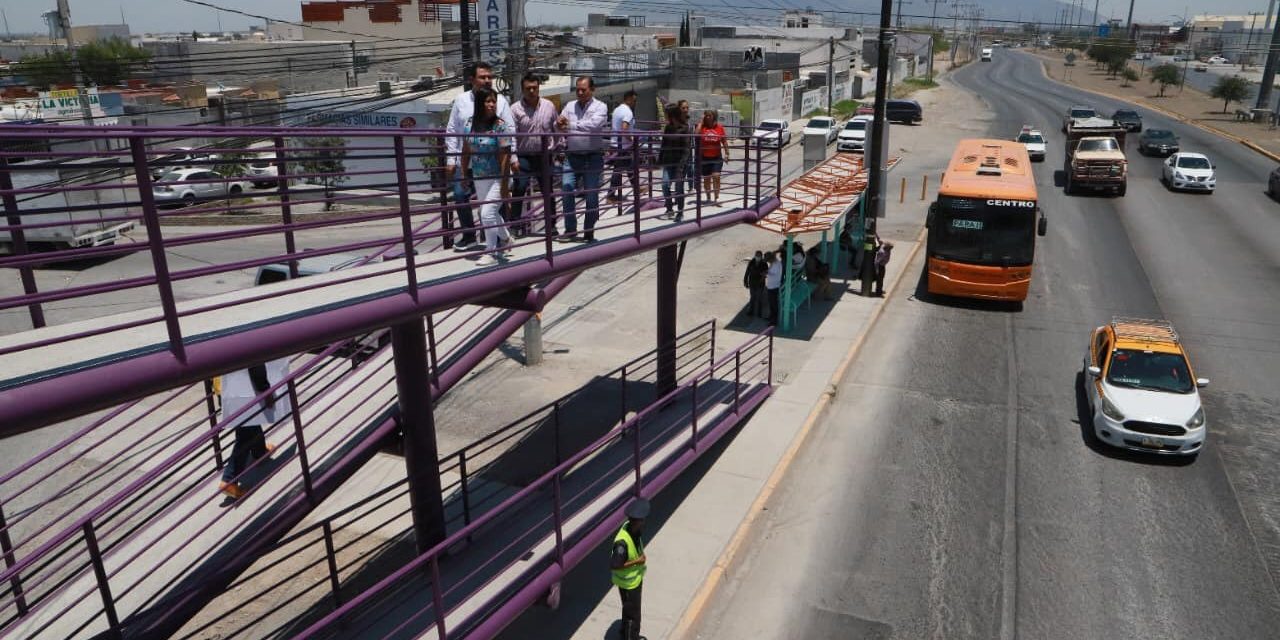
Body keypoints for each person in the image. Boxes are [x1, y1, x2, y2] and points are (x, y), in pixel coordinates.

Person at [445, 61, 515, 251]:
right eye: (482, 77)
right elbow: (453, 130)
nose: (487, 80)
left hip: (495, 163)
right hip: (469, 160)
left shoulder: (500, 101)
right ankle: (470, 235)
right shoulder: (461, 101)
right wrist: (451, 159)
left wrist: (513, 159)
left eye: (489, 77)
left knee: (489, 209)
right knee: (460, 195)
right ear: (472, 80)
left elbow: (509, 133)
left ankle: (492, 246)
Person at [218, 360, 287, 500]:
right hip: (242, 388)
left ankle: (259, 452)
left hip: (224, 385)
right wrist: (266, 390)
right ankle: (229, 479)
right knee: (245, 434)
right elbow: (255, 361)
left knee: (248, 424)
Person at [463, 87, 513, 267]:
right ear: (479, 104)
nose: (492, 105)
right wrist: (463, 174)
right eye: (488, 101)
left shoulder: (500, 125)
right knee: (488, 214)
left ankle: (491, 252)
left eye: (494, 101)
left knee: (487, 213)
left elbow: (506, 156)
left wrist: (505, 185)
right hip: (479, 176)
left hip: (498, 177)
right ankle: (506, 238)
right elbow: (466, 150)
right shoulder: (469, 124)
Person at [557, 76, 609, 242]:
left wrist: (570, 125)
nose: (579, 92)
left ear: (592, 90)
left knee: (592, 195)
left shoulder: (601, 106)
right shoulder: (569, 106)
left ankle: (589, 230)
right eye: (577, 89)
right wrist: (558, 123)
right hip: (572, 157)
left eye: (583, 89)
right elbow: (559, 125)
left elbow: (594, 126)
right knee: (566, 189)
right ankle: (571, 230)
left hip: (592, 157)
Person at [510, 73, 560, 238]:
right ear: (522, 89)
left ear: (539, 87)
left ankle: (551, 225)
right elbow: (511, 136)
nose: (532, 91)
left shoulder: (549, 106)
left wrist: (557, 147)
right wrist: (513, 158)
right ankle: (515, 225)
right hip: (523, 156)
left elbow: (556, 128)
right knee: (519, 188)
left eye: (534, 88)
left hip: (544, 155)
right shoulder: (515, 109)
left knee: (548, 191)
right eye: (528, 88)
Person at [610, 498, 650, 640]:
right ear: (636, 521)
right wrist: (636, 561)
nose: (643, 522)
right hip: (628, 584)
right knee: (632, 616)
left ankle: (630, 634)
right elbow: (615, 564)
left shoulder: (633, 528)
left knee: (630, 612)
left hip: (634, 580)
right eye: (642, 520)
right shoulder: (622, 543)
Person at [657, 102, 691, 221]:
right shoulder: (668, 128)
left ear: (672, 115)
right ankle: (669, 208)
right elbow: (663, 144)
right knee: (665, 184)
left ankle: (680, 212)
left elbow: (687, 149)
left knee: (678, 187)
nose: (665, 117)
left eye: (667, 115)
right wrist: (659, 160)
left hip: (680, 163)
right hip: (668, 161)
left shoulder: (685, 128)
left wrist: (682, 166)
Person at [607, 89, 640, 202]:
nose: (635, 103)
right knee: (618, 170)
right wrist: (632, 139)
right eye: (634, 101)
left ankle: (636, 188)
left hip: (616, 144)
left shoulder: (617, 110)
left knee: (629, 168)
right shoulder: (628, 112)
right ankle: (610, 195)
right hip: (623, 146)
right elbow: (624, 128)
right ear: (629, 99)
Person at [697, 109, 730, 203]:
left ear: (714, 116)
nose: (708, 117)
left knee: (716, 176)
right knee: (706, 179)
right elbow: (696, 133)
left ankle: (716, 197)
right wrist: (701, 121)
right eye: (706, 115)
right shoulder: (702, 127)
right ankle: (708, 197)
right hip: (704, 157)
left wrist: (727, 153)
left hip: (716, 157)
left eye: (709, 115)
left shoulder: (719, 127)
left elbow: (724, 141)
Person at [744, 250, 768, 318]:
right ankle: (751, 311)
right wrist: (745, 281)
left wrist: (762, 279)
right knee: (752, 297)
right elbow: (747, 272)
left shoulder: (764, 263)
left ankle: (759, 313)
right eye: (756, 255)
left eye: (759, 256)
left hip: (760, 283)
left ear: (761, 256)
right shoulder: (751, 262)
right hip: (752, 282)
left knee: (759, 298)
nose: (757, 257)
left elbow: (765, 273)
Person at [764, 251, 781, 327]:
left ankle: (774, 321)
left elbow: (773, 275)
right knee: (771, 304)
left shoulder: (776, 264)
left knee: (774, 304)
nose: (768, 262)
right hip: (771, 286)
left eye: (768, 260)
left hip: (774, 287)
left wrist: (766, 273)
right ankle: (771, 317)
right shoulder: (774, 263)